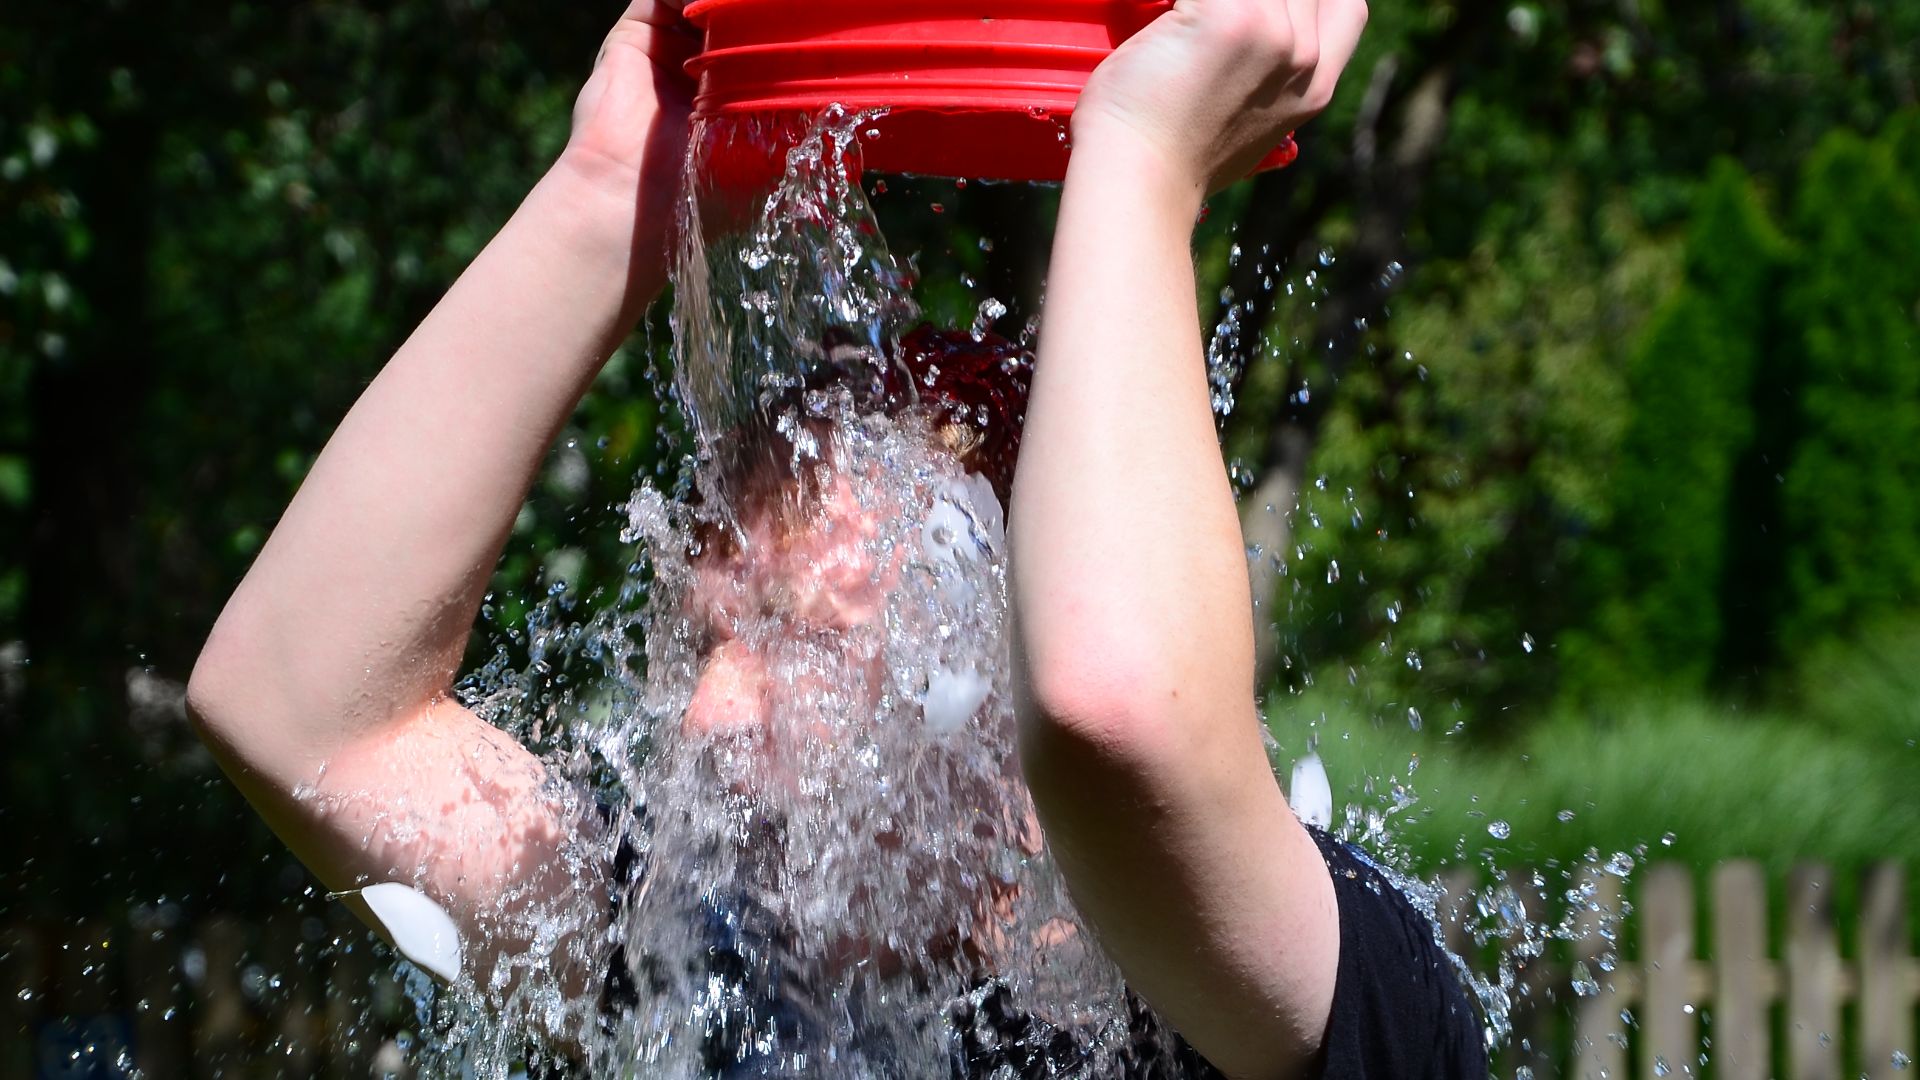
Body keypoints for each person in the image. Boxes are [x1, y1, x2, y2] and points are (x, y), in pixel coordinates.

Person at [187, 0, 1486, 1076]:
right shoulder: (709, 969)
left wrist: (1145, 160)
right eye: (705, 635)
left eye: (796, 634)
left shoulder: (1317, 997)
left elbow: (1117, 715)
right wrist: (607, 192)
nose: (708, 715)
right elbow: (304, 716)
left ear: (1002, 658)